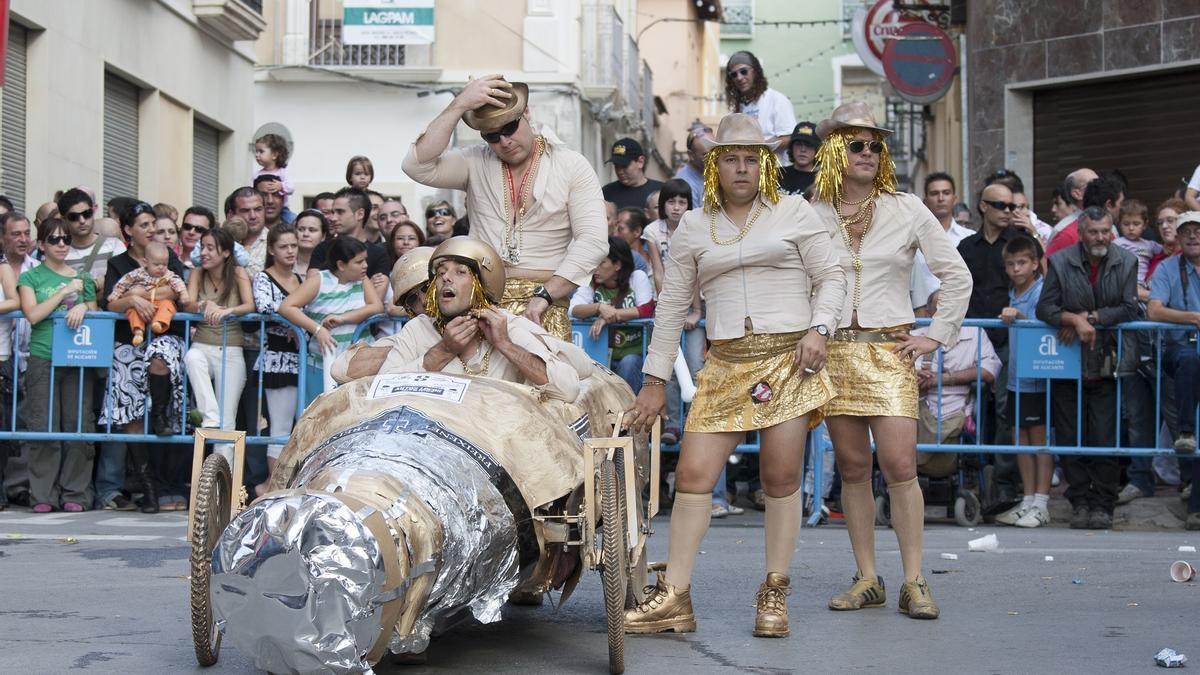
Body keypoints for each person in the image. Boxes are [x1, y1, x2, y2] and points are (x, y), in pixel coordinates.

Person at [624, 113, 845, 638]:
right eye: (731, 159)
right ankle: (675, 597)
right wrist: (655, 380)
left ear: (765, 163)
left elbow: (832, 275)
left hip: (789, 359)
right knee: (696, 477)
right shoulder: (695, 225)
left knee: (780, 478)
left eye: (751, 158)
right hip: (723, 363)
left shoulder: (794, 210)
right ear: (714, 166)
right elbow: (673, 306)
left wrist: (820, 328)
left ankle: (774, 592)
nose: (741, 168)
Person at [809, 101, 971, 620]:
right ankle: (867, 577)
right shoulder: (808, 212)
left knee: (901, 466)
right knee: (854, 469)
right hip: (833, 354)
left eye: (875, 144)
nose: (867, 152)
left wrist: (936, 335)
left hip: (890, 352)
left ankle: (915, 580)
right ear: (834, 149)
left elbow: (958, 276)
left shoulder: (907, 208)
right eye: (856, 143)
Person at [402, 75, 607, 341]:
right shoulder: (474, 160)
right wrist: (459, 104)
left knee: (543, 381)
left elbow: (593, 241)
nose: (504, 141)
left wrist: (546, 294)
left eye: (509, 128)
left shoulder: (571, 165)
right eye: (492, 135)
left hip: (542, 304)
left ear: (527, 113)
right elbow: (416, 165)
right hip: (479, 303)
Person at [334, 238, 583, 407]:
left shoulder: (505, 324)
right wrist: (441, 350)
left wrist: (505, 344)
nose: (445, 281)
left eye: (460, 272)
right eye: (440, 274)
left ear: (481, 284)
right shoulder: (417, 330)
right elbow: (378, 391)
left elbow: (569, 385)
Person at [1036, 206, 1138, 530]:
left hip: (1106, 360)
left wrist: (1090, 318)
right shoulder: (1062, 260)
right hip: (1067, 361)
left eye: (1105, 231)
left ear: (1112, 231)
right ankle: (1079, 500)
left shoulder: (1127, 260)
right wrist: (1071, 319)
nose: (1099, 237)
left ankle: (1103, 504)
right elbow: (1045, 307)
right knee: (1069, 435)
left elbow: (1130, 307)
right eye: (1093, 231)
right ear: (1081, 232)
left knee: (1104, 437)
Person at [102, 201, 190, 513]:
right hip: (128, 341)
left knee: (161, 361)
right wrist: (130, 299)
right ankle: (147, 486)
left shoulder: (171, 259)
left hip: (165, 336)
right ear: (128, 230)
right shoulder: (118, 264)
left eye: (154, 224)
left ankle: (163, 417)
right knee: (131, 413)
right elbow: (109, 303)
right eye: (144, 225)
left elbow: (181, 295)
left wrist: (146, 297)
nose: (152, 230)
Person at [18, 218, 97, 513]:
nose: (62, 244)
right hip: (43, 354)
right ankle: (42, 494)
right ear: (42, 245)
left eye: (66, 239)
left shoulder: (83, 277)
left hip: (79, 355)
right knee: (44, 426)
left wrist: (81, 305)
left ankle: (75, 491)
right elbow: (34, 314)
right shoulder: (31, 278)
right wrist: (64, 293)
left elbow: (94, 310)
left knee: (78, 425)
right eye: (54, 239)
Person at [278, 236, 383, 401]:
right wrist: (317, 330)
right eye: (359, 262)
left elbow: (376, 306)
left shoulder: (362, 280)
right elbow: (286, 307)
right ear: (341, 265)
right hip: (322, 363)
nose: (365, 266)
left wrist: (343, 318)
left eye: (365, 260)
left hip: (358, 364)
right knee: (320, 416)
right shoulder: (319, 280)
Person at [1147, 210, 1200, 530]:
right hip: (1181, 351)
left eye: (1198, 229)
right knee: (1189, 360)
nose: (1193, 235)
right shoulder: (1168, 267)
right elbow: (1154, 310)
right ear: (1177, 238)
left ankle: (1196, 506)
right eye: (1187, 231)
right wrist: (1194, 317)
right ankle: (1185, 431)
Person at [994, 236, 1052, 528]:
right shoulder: (1013, 291)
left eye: (1022, 263)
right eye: (1011, 264)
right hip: (1017, 376)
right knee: (1020, 438)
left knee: (1039, 440)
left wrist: (1021, 315)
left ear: (1034, 264)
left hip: (1038, 377)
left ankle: (1041, 502)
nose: (1016, 269)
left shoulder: (1040, 290)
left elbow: (1045, 321)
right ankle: (1027, 499)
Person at [912, 290, 1000, 478]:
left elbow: (989, 371)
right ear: (928, 313)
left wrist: (942, 379)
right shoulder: (916, 335)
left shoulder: (975, 332)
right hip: (917, 409)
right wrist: (913, 376)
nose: (947, 313)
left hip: (961, 408)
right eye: (940, 309)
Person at [251, 224, 304, 496]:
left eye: (293, 245)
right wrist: (293, 323)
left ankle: (291, 482)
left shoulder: (301, 278)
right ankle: (272, 483)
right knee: (281, 424)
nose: (290, 251)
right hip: (277, 356)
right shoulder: (263, 278)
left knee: (303, 423)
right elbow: (264, 306)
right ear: (271, 249)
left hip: (303, 357)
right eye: (284, 246)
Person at [184, 228, 254, 430]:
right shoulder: (197, 272)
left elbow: (250, 305)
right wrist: (204, 304)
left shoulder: (238, 272)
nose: (203, 253)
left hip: (230, 347)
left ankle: (224, 462)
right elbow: (188, 303)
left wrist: (228, 311)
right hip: (202, 343)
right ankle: (210, 415)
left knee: (228, 422)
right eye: (202, 247)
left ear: (225, 252)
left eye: (210, 248)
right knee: (192, 357)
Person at [569, 236, 655, 392]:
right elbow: (573, 310)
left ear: (617, 265)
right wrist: (599, 307)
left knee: (628, 364)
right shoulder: (590, 284)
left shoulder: (636, 277)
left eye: (602, 263)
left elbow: (647, 309)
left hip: (632, 353)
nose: (596, 268)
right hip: (599, 352)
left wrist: (609, 317)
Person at [307, 186, 390, 299]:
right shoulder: (322, 249)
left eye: (340, 212)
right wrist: (366, 285)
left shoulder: (379, 254)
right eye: (332, 212)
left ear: (360, 214)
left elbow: (375, 301)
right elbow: (312, 294)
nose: (333, 218)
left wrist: (330, 283)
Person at [910, 172, 973, 310]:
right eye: (934, 193)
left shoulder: (970, 239)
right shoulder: (911, 240)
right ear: (925, 201)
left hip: (962, 314)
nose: (940, 198)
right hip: (921, 317)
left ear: (954, 198)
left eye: (946, 192)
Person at [107, 242, 189, 346]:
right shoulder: (137, 273)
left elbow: (178, 283)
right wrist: (115, 294)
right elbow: (123, 283)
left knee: (168, 305)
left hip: (159, 304)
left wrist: (184, 294)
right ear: (145, 262)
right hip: (140, 306)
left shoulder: (168, 274)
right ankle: (138, 331)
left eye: (164, 264)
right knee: (132, 311)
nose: (161, 268)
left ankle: (159, 323)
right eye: (156, 264)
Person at [724, 51, 795, 162]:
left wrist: (758, 149)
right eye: (734, 74)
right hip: (747, 172)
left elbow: (789, 137)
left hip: (775, 172)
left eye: (744, 71)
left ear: (755, 72)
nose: (739, 77)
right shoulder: (737, 109)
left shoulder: (777, 100)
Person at [59, 188, 126, 292]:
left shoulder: (115, 246)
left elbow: (126, 283)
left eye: (87, 214)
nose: (82, 221)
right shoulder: (59, 251)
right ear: (64, 220)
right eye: (73, 217)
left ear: (93, 212)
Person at [1115, 199, 1162, 296]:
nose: (1131, 228)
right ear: (1120, 224)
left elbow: (1165, 250)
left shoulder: (1150, 245)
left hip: (1145, 285)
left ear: (1144, 225)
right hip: (1125, 284)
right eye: (1126, 224)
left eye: (1136, 224)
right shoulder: (1117, 243)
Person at [601, 138, 663, 210]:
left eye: (624, 166)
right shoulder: (607, 192)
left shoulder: (661, 191)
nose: (620, 171)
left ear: (640, 162)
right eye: (616, 166)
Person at [253, 133, 296, 223]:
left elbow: (291, 188)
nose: (257, 155)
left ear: (274, 155)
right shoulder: (257, 174)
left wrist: (281, 186)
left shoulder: (283, 172)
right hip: (262, 210)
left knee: (293, 220)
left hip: (283, 210)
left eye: (261, 151)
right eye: (256, 151)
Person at [226, 186, 268, 274]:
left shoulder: (275, 242)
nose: (253, 216)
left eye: (258, 209)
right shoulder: (221, 241)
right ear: (231, 215)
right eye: (245, 211)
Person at [1147, 198, 1186, 280]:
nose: (1164, 226)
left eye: (1170, 220)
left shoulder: (1192, 256)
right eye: (1160, 222)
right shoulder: (1157, 256)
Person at [778, 122, 820, 196]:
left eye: (809, 145)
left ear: (817, 150)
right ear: (791, 147)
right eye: (798, 144)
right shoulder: (777, 174)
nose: (803, 149)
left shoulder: (821, 180)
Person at [674, 126, 712, 207]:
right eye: (706, 155)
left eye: (715, 152)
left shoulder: (716, 172)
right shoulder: (684, 184)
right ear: (691, 155)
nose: (712, 158)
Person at [613, 207, 653, 277]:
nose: (615, 234)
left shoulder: (656, 259)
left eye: (620, 229)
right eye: (614, 228)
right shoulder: (615, 263)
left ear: (637, 231)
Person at [178, 206, 216, 273]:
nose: (191, 232)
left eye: (199, 229)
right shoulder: (165, 260)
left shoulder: (216, 267)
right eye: (187, 227)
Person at [294, 208, 327, 276]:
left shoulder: (330, 268)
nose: (306, 234)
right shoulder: (284, 264)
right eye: (301, 229)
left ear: (323, 236)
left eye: (312, 230)